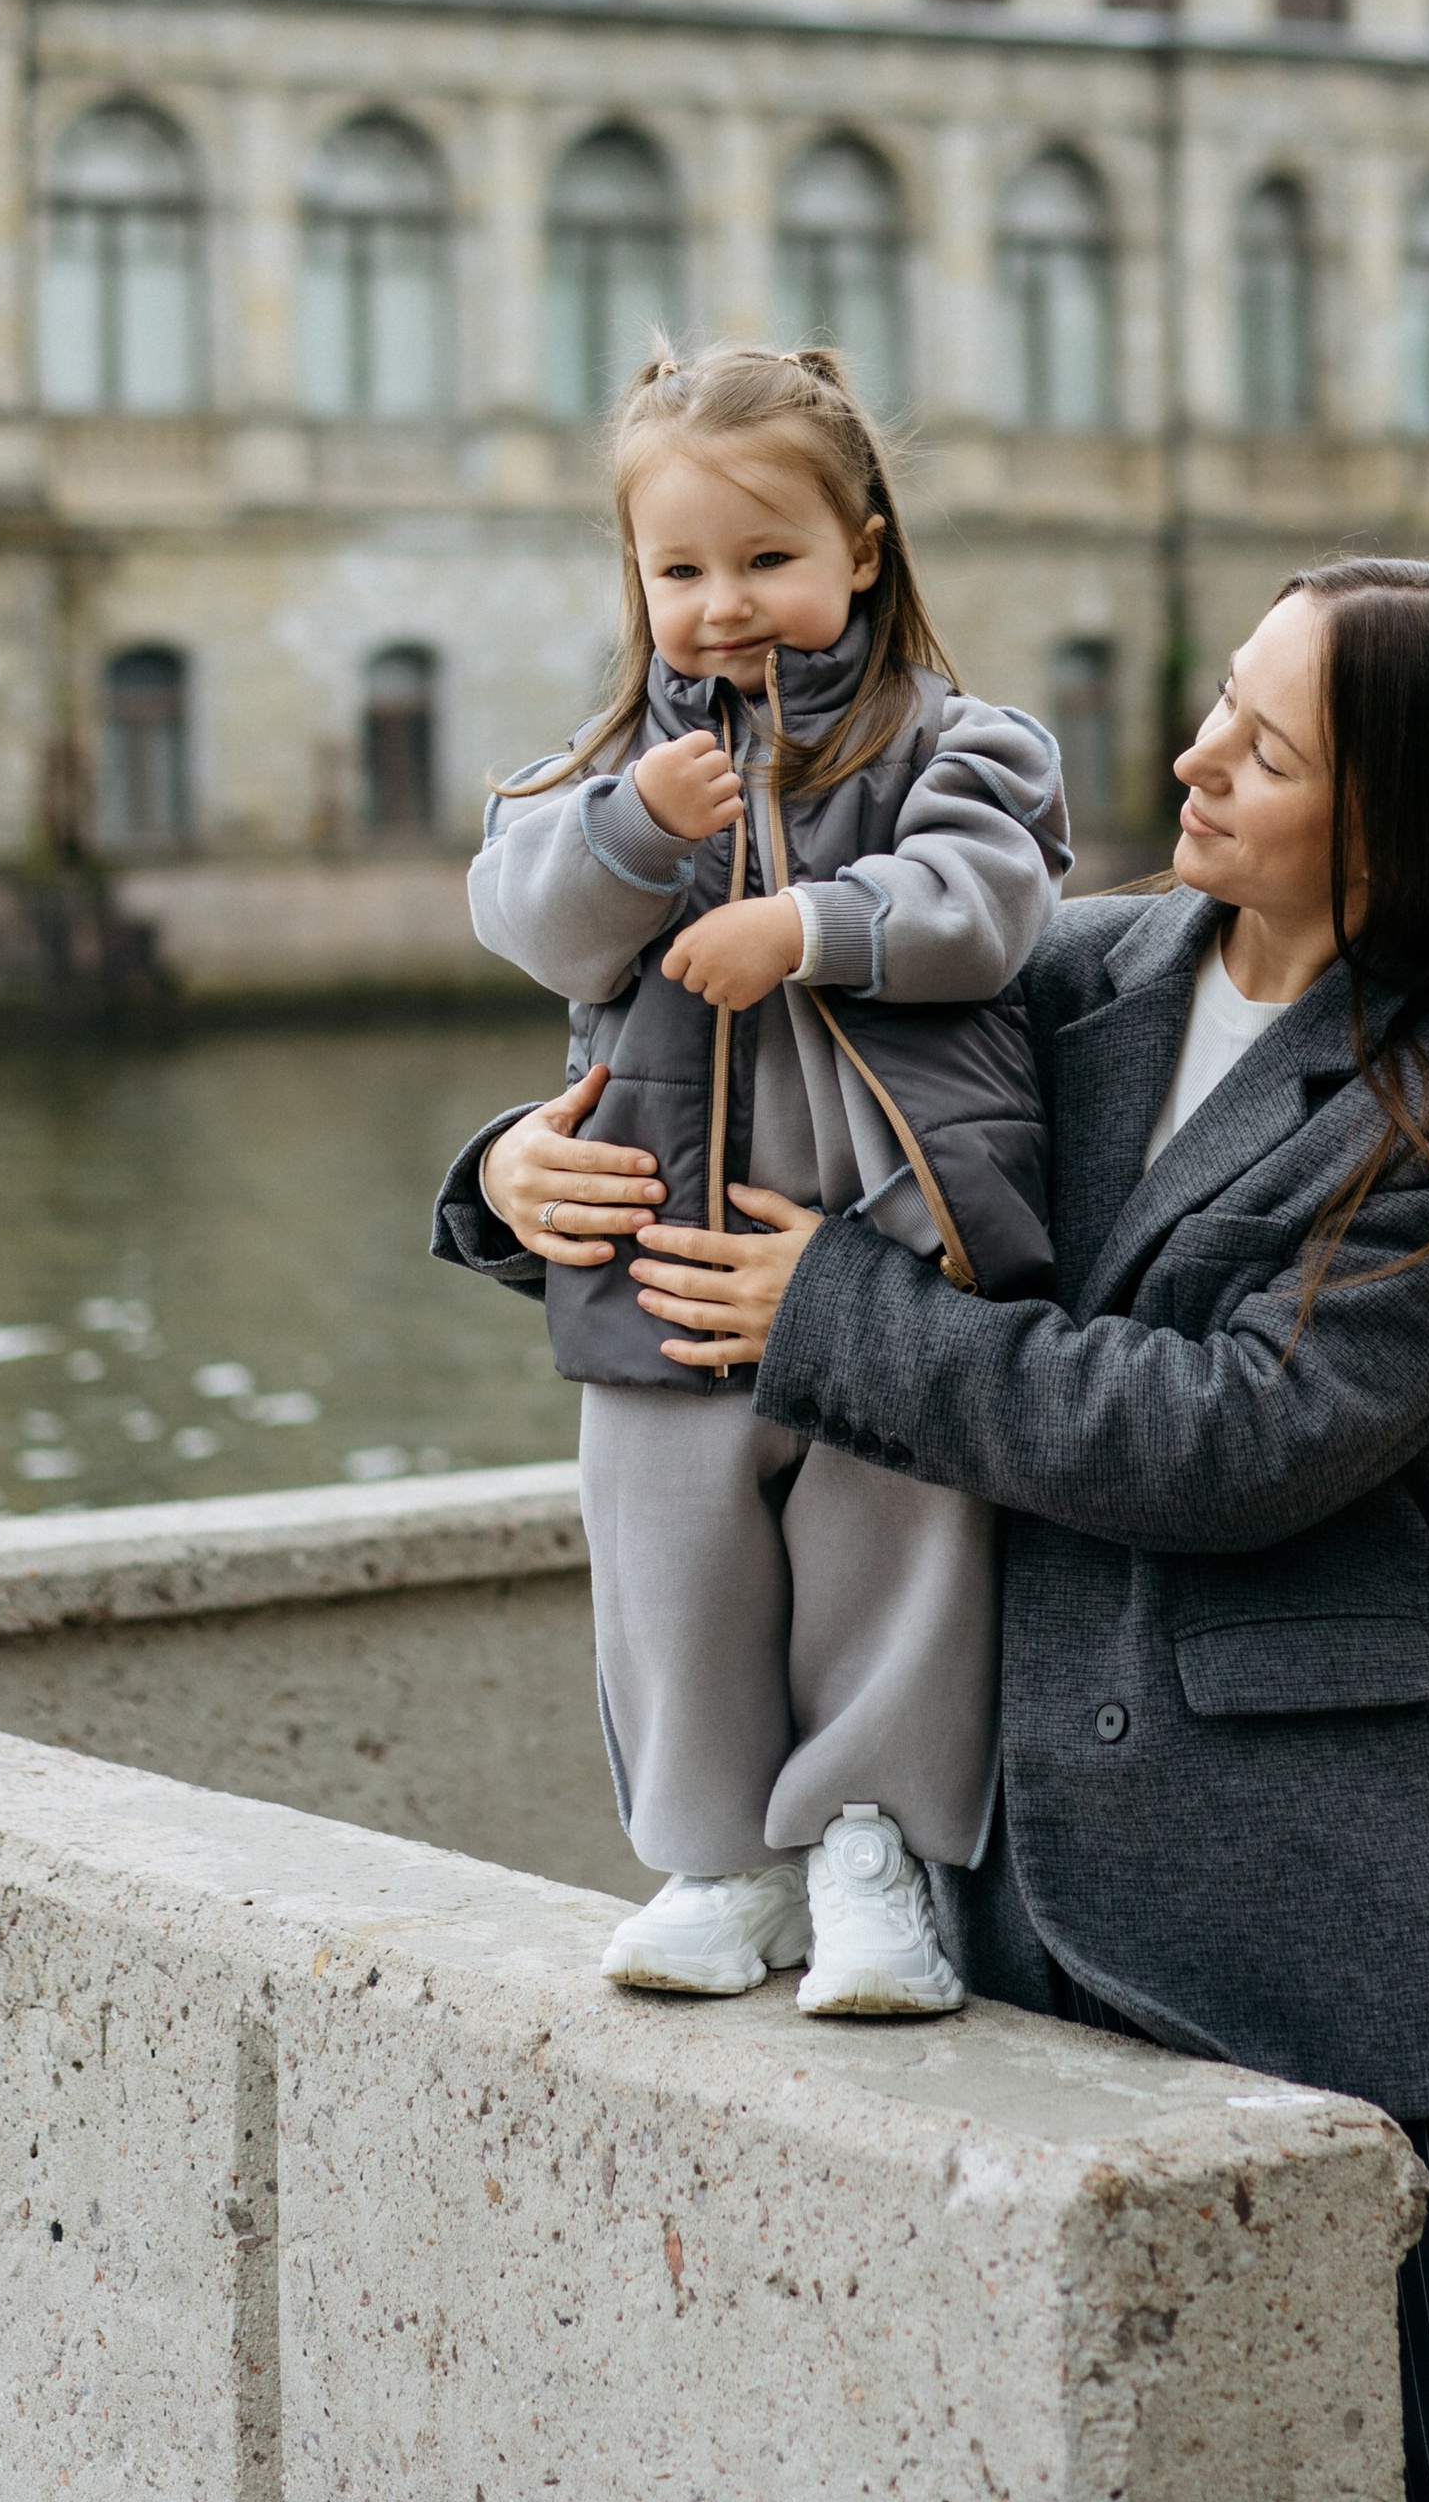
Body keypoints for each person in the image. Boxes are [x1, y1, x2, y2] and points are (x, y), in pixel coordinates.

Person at [465, 555, 1429, 2502]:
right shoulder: (1078, 972)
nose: (1189, 760)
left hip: (1323, 1931)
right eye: (1214, 705)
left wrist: (839, 1321)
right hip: (1009, 1904)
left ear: (1399, 819)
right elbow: (780, 1126)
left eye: (1259, 747)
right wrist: (514, 1181)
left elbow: (1227, 1439)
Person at [438, 339, 1068, 2019]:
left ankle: (872, 1851)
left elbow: (989, 905)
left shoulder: (961, 741)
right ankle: (717, 1857)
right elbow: (528, 922)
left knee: (899, 1548)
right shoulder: (593, 776)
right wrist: (640, 831)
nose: (724, 604)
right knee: (666, 1551)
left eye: (769, 559)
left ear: (864, 547)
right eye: (681, 569)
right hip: (661, 1250)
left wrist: (812, 922)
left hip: (892, 1238)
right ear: (634, 579)